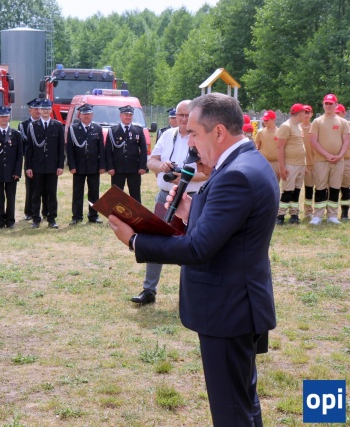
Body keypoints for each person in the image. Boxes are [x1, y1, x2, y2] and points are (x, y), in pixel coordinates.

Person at [109, 93, 278, 426]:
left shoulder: (235, 174)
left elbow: (198, 249)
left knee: (232, 412)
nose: (190, 143)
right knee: (242, 403)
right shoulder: (246, 162)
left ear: (218, 132)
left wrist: (135, 240)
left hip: (227, 308)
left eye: (194, 134)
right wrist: (190, 212)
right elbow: (228, 230)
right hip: (237, 303)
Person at [131, 100, 207, 305]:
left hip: (191, 198)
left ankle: (193, 292)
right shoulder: (167, 135)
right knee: (155, 239)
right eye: (180, 115)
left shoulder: (200, 137)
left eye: (187, 115)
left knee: (193, 244)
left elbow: (207, 172)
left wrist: (184, 178)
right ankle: (149, 289)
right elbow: (151, 161)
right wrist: (162, 167)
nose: (183, 119)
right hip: (165, 196)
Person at [309, 93, 350, 225]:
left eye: (330, 103)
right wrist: (327, 155)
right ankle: (318, 215)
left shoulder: (343, 122)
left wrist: (340, 156)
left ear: (336, 105)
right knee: (320, 187)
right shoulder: (317, 121)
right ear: (323, 104)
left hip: (338, 161)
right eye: (326, 103)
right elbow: (313, 141)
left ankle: (332, 215)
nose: (328, 106)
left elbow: (346, 141)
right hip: (321, 160)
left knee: (335, 187)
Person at [25, 98, 65, 229]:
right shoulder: (33, 126)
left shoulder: (57, 125)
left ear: (51, 110)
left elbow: (60, 148)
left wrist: (60, 165)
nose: (45, 111)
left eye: (48, 109)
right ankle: (36, 219)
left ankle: (51, 218)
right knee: (36, 193)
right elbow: (29, 148)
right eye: (43, 109)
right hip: (37, 165)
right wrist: (28, 167)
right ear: (39, 110)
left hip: (52, 166)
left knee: (51, 193)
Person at [66, 103, 105, 225]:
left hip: (94, 166)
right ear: (80, 116)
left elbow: (101, 148)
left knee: (94, 192)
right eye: (84, 114)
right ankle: (77, 216)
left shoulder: (97, 128)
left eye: (88, 114)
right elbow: (69, 149)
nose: (86, 116)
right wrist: (72, 165)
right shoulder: (73, 129)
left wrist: (102, 165)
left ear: (92, 115)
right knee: (77, 192)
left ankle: (93, 215)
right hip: (79, 166)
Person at [0, 106, 23, 229]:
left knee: (11, 197)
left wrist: (17, 172)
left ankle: (10, 220)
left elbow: (19, 155)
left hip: (11, 171)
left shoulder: (16, 134)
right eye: (1, 116)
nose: (4, 119)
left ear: (9, 117)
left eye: (6, 116)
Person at [105, 105, 147, 202]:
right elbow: (108, 150)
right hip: (117, 168)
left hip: (134, 168)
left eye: (130, 115)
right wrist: (110, 167)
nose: (128, 117)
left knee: (135, 195)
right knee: (116, 195)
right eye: (126, 115)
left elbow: (143, 150)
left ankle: (136, 212)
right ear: (121, 115)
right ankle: (115, 211)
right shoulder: (113, 131)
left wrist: (142, 166)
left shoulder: (138, 130)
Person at [276, 104, 307, 225]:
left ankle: (294, 214)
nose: (305, 116)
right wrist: (282, 167)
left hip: (300, 164)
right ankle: (280, 215)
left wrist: (304, 164)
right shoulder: (286, 126)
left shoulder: (298, 127)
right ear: (300, 113)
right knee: (287, 190)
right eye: (304, 113)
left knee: (297, 190)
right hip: (290, 164)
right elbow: (280, 147)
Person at [18, 98, 44, 221]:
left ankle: (45, 211)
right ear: (30, 111)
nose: (38, 111)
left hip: (44, 159)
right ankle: (29, 211)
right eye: (35, 109)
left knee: (45, 188)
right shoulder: (23, 125)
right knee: (31, 187)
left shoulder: (45, 123)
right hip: (31, 159)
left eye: (39, 109)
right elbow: (25, 142)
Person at [254, 110, 279, 178]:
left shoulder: (279, 132)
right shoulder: (260, 132)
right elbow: (257, 147)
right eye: (264, 120)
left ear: (273, 119)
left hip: (276, 163)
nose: (264, 122)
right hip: (263, 162)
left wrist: (282, 166)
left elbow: (283, 148)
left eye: (267, 120)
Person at [335, 105, 350, 219]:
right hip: (332, 159)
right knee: (332, 187)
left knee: (345, 186)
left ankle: (344, 212)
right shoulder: (329, 125)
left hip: (346, 160)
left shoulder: (348, 126)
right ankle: (331, 213)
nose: (337, 115)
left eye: (339, 113)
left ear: (344, 113)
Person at [301, 105, 315, 219]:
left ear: (311, 114)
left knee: (314, 188)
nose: (306, 115)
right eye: (304, 112)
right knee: (296, 189)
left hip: (315, 163)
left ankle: (312, 211)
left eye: (308, 112)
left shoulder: (315, 128)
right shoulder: (296, 128)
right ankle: (300, 211)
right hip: (301, 163)